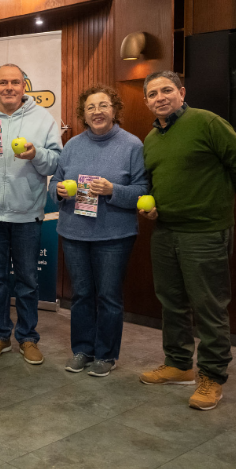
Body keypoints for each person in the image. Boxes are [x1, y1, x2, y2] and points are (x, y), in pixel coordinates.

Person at [137, 71, 236, 410]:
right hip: (165, 232)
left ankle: (212, 376)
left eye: (167, 90)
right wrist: (151, 207)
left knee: (209, 306)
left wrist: (215, 198)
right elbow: (153, 184)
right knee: (171, 302)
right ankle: (179, 365)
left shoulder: (207, 123)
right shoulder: (151, 139)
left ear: (182, 92)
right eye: (153, 93)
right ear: (146, 102)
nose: (160, 97)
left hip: (205, 232)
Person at [0, 63, 62, 365]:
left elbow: (55, 162)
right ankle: (0, 335)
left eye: (14, 82)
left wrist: (36, 155)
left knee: (28, 280)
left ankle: (28, 338)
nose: (8, 87)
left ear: (24, 86)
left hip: (27, 213)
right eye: (2, 82)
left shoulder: (42, 118)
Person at [48, 85, 146, 377]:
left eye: (103, 105)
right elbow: (54, 183)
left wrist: (113, 190)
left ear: (115, 110)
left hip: (114, 236)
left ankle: (106, 355)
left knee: (108, 296)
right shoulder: (73, 145)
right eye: (90, 107)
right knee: (80, 295)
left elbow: (142, 190)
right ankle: (81, 350)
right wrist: (60, 192)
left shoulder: (132, 145)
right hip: (74, 233)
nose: (97, 112)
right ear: (83, 114)